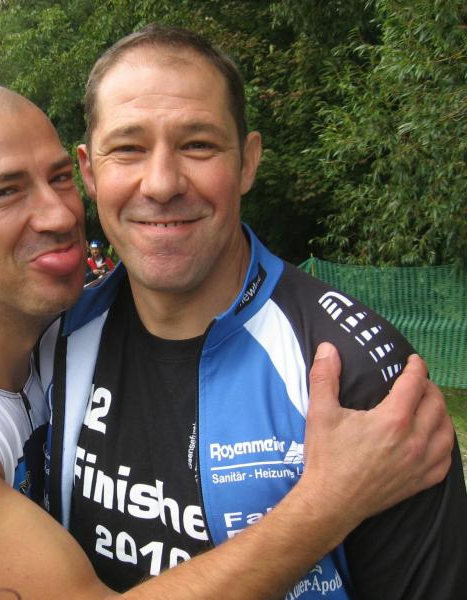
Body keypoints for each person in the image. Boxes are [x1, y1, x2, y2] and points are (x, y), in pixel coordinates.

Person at [0, 83, 453, 600]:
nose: (59, 214)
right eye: (5, 192)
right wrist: (329, 502)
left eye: (59, 178)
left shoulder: (61, 338)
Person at [41, 25, 467, 598]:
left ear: (247, 162)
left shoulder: (356, 374)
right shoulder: (50, 344)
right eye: (128, 148)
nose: (161, 184)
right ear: (90, 172)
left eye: (198, 145)